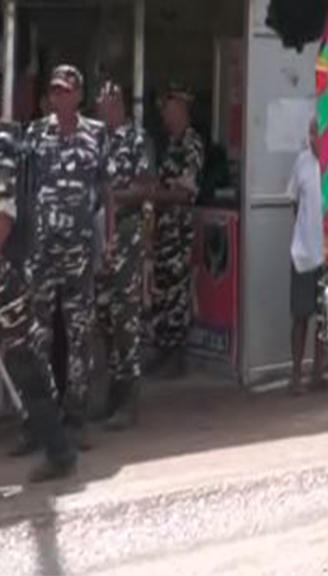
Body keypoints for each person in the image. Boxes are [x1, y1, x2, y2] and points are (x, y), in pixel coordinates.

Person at [0, 78, 77, 480]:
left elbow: (3, 215)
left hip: (3, 270)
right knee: (20, 359)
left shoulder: (0, 146)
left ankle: (59, 450)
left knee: (23, 359)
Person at [21, 64, 108, 440]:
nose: (59, 97)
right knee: (38, 336)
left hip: (79, 251)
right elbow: (25, 189)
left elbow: (105, 188)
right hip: (42, 250)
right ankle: (39, 420)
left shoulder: (97, 133)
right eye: (54, 91)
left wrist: (108, 239)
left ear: (79, 95)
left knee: (79, 334)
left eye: (66, 91)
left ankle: (76, 418)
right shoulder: (35, 133)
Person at [92, 80, 152, 428]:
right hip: (101, 236)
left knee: (125, 317)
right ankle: (112, 395)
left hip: (126, 235)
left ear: (117, 104)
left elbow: (145, 187)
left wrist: (113, 197)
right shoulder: (96, 139)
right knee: (103, 317)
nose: (100, 109)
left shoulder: (136, 140)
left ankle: (129, 400)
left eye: (104, 103)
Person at [149, 84, 203, 377]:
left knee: (176, 295)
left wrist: (152, 195)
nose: (165, 117)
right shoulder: (171, 143)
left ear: (181, 111)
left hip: (179, 233)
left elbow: (185, 192)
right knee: (162, 295)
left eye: (169, 111)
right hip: (163, 231)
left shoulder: (191, 144)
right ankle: (163, 352)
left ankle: (176, 358)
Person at [287, 119, 328, 392]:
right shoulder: (301, 163)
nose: (316, 140)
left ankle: (318, 374)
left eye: (321, 135)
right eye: (314, 135)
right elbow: (293, 201)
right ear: (309, 135)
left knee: (325, 319)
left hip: (327, 255)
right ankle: (295, 375)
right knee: (300, 316)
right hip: (303, 253)